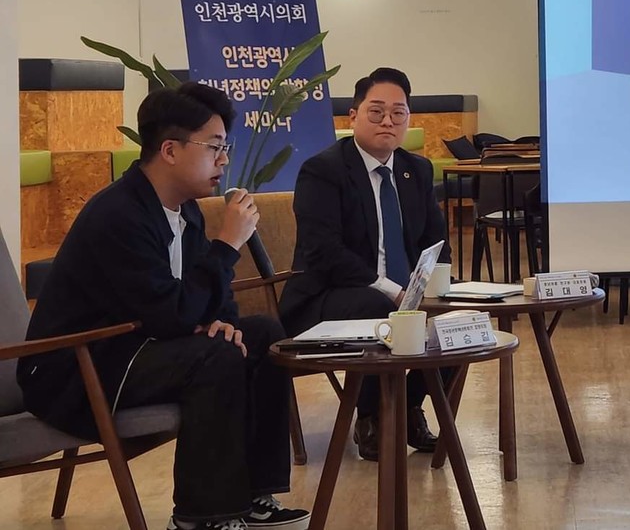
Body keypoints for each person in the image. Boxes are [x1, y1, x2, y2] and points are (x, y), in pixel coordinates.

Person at [17, 82, 310, 530]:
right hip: (77, 367)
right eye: (214, 147)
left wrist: (223, 321)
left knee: (263, 336)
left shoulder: (184, 210)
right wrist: (227, 245)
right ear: (170, 150)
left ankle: (254, 493)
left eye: (225, 148)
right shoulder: (119, 214)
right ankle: (199, 518)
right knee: (214, 356)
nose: (224, 160)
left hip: (136, 345)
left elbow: (203, 296)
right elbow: (168, 313)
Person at [279, 67, 452, 461]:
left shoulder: (416, 169)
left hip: (401, 294)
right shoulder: (323, 171)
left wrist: (439, 286)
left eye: (398, 113)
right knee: (377, 307)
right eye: (376, 112)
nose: (387, 121)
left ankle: (408, 409)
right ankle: (371, 417)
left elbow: (436, 241)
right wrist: (393, 291)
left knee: (456, 318)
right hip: (326, 297)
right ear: (353, 116)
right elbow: (325, 253)